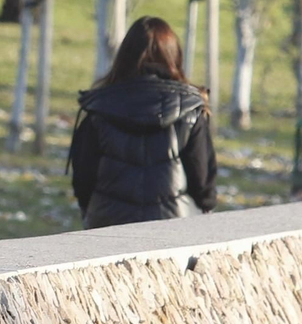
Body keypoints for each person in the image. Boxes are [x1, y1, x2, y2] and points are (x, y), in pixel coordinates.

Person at [69, 16, 216, 229]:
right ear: (174, 56)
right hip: (175, 227)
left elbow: (83, 180)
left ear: (124, 56)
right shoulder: (190, 111)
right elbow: (204, 185)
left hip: (107, 227)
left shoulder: (98, 109)